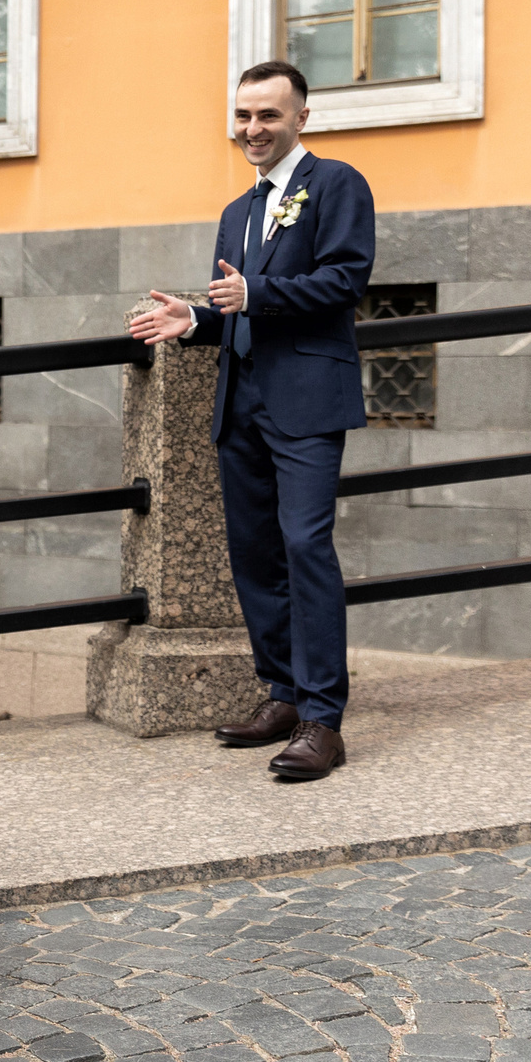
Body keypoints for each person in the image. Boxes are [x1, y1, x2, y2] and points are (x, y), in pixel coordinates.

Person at [126, 60, 375, 782]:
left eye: (268, 115)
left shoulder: (336, 184)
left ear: (302, 117)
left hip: (306, 401)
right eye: (243, 116)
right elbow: (241, 307)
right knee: (254, 553)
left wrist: (253, 292)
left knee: (305, 546)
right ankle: (282, 691)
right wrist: (194, 318)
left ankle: (323, 719)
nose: (252, 129)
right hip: (241, 402)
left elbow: (344, 279)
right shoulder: (238, 211)